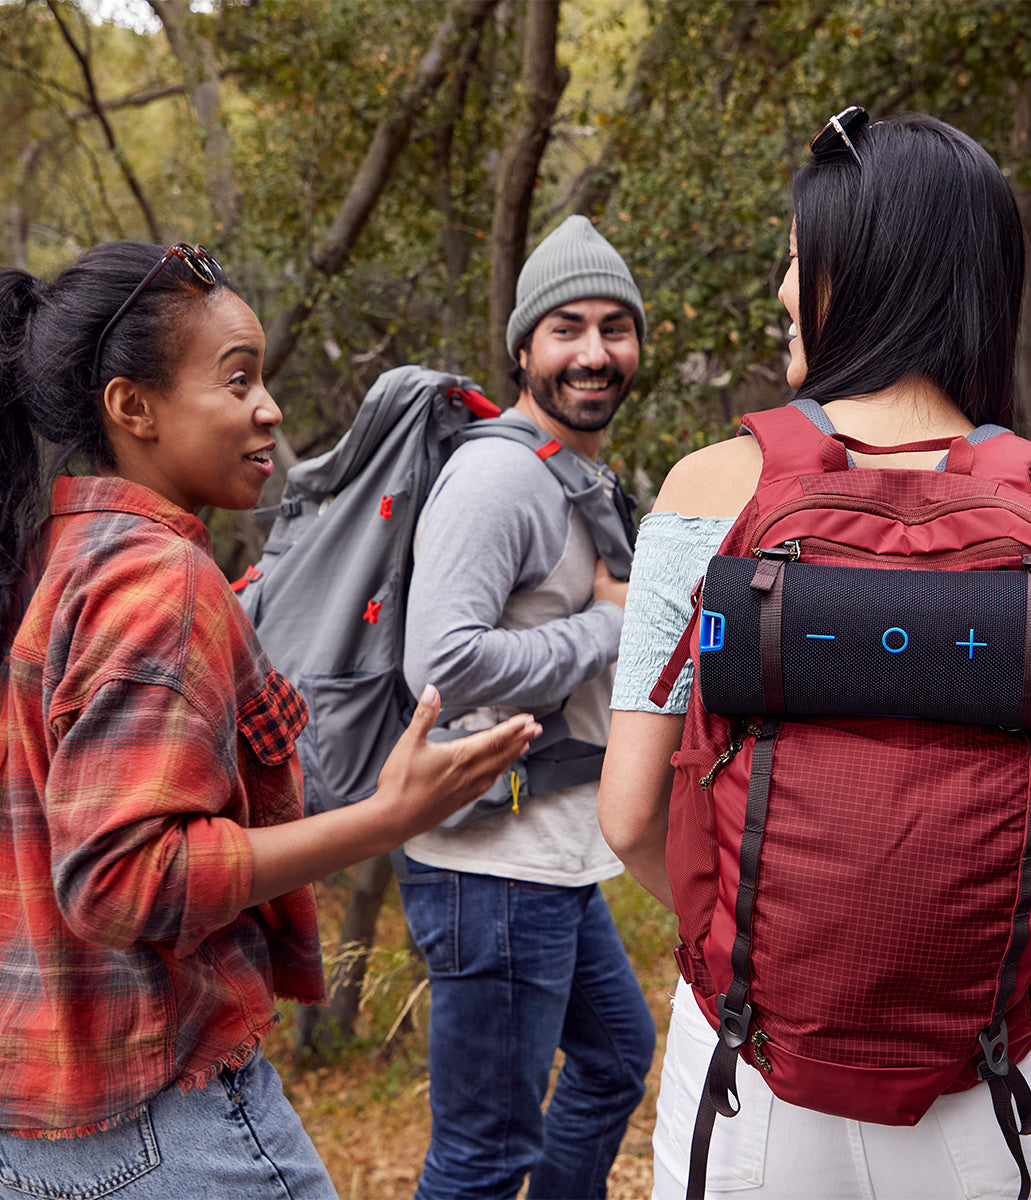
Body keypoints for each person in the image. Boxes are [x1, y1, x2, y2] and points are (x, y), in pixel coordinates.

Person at [597, 109, 1031, 1199]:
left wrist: (767, 964)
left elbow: (629, 815)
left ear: (849, 270)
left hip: (751, 1085)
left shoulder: (705, 494)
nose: (781, 290)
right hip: (1009, 1089)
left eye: (793, 258)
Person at [0, 240, 539, 1199]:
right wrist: (386, 818)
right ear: (133, 408)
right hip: (165, 1115)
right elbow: (123, 881)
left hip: (39, 1114)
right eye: (238, 379)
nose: (269, 409)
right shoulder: (157, 580)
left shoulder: (49, 559)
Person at [396, 215, 658, 1199]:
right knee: (481, 1151)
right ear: (523, 348)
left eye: (614, 328)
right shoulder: (500, 474)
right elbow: (444, 663)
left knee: (613, 1059)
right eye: (566, 329)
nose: (594, 352)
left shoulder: (578, 476)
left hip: (541, 857)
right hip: (485, 867)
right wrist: (609, 626)